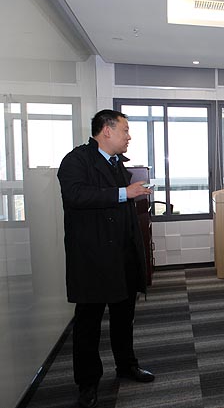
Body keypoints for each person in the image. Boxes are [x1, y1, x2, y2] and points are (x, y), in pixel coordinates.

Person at [57, 110, 155, 408]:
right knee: (88, 324)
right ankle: (88, 383)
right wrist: (125, 192)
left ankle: (126, 365)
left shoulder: (116, 162)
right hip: (94, 258)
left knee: (124, 318)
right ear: (106, 130)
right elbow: (76, 196)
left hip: (122, 256)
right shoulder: (76, 160)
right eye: (125, 130)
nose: (129, 136)